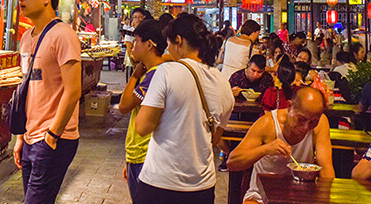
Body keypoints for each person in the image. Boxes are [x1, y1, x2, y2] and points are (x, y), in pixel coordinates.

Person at [135, 13, 234, 204]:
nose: (167, 49)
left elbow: (142, 127)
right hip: (201, 186)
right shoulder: (223, 82)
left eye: (169, 43)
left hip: (160, 182)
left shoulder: (166, 72)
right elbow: (214, 138)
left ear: (178, 41)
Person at [13, 0, 82, 204]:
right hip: (31, 136)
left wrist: (52, 135)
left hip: (53, 137)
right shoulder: (27, 37)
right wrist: (21, 136)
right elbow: (27, 90)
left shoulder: (63, 35)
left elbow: (73, 91)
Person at [228, 63, 334, 204]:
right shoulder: (268, 124)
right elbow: (232, 163)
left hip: (299, 196)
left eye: (312, 122)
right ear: (290, 107)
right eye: (301, 119)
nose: (305, 127)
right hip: (260, 197)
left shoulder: (320, 124)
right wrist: (265, 149)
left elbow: (326, 169)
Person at [118, 19, 167, 202]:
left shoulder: (154, 75)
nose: (132, 46)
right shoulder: (155, 72)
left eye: (137, 41)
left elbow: (124, 106)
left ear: (149, 44)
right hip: (137, 155)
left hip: (145, 154)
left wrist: (134, 76)